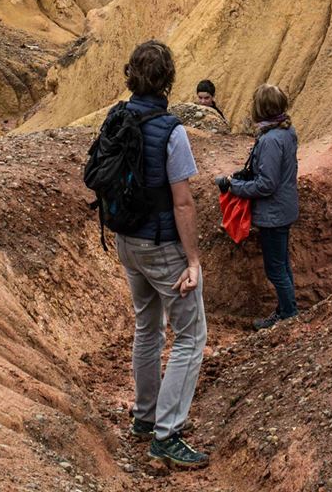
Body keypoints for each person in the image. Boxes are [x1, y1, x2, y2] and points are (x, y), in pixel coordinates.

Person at [112, 41, 209, 468]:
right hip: (162, 246)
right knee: (190, 337)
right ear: (168, 79)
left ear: (131, 74)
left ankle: (144, 417)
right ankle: (167, 434)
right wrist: (192, 261)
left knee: (146, 328)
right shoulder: (172, 130)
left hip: (127, 242)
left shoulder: (116, 118)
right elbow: (182, 202)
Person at [215, 84, 299, 330]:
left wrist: (234, 187)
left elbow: (266, 184)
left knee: (275, 269)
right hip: (283, 209)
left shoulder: (271, 140)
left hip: (273, 214)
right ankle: (286, 310)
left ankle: (289, 315)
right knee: (282, 265)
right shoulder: (286, 132)